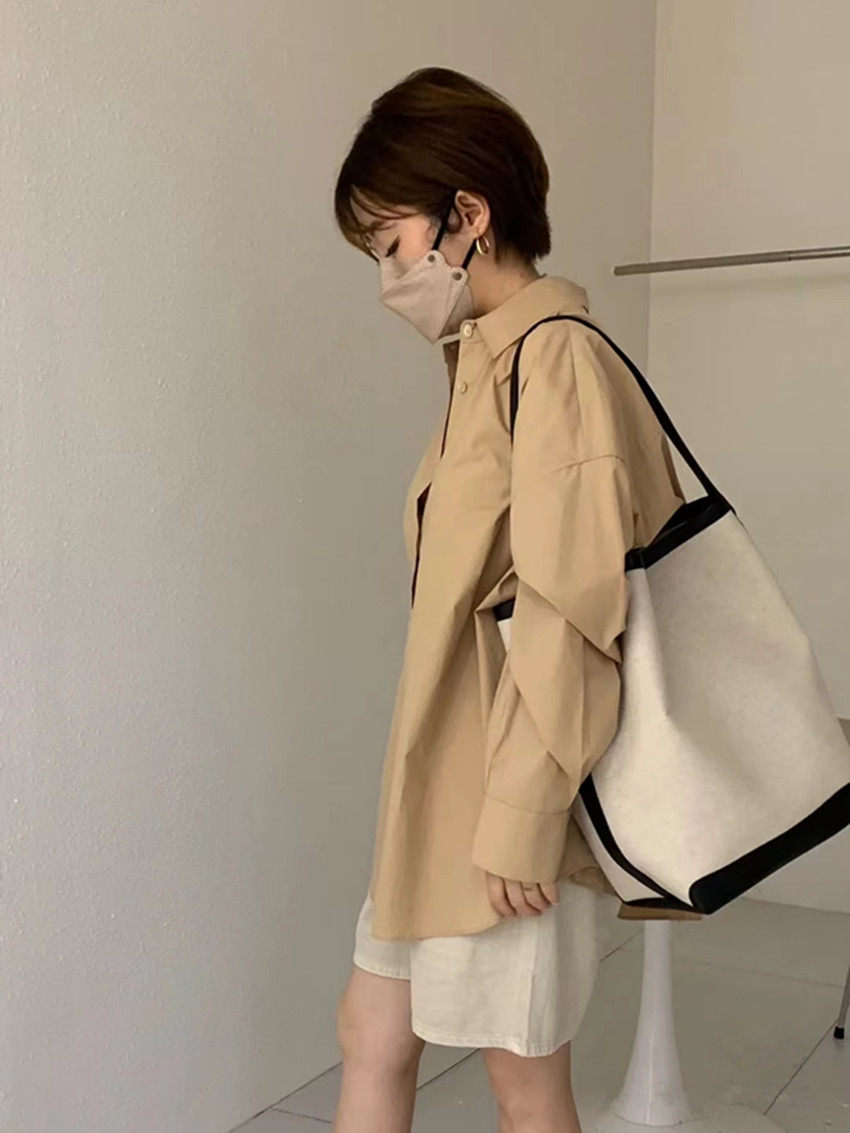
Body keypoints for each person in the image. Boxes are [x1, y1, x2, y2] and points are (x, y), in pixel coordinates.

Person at [330, 66, 691, 1133]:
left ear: (468, 214)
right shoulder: (483, 360)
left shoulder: (556, 360)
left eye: (392, 244)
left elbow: (572, 608)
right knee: (371, 1034)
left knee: (522, 1083)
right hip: (435, 790)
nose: (389, 277)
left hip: (504, 798)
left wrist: (526, 816)